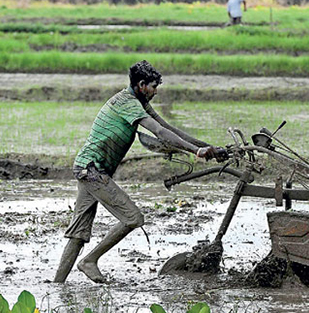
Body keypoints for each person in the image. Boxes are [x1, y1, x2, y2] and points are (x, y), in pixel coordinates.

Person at [53, 60, 228, 284]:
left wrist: (209, 148)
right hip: (92, 171)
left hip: (89, 168)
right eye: (154, 87)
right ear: (142, 84)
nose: (155, 92)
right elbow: (159, 132)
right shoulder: (128, 103)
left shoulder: (139, 102)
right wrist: (196, 151)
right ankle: (89, 261)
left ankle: (57, 286)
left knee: (78, 234)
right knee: (133, 218)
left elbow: (169, 129)